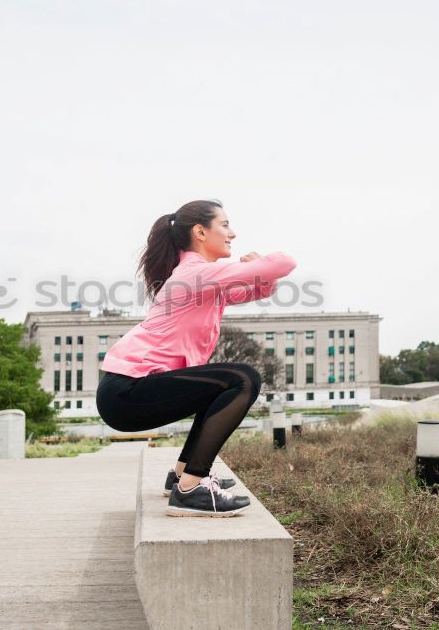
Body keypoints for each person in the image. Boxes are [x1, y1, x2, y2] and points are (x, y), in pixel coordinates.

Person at [95, 199, 297, 517]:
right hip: (128, 391)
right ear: (201, 232)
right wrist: (258, 262)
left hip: (127, 392)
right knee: (244, 379)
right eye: (225, 225)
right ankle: (190, 489)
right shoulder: (195, 275)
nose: (233, 233)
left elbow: (257, 289)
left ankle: (181, 476)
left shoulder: (203, 279)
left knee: (219, 386)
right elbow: (284, 263)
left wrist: (259, 273)